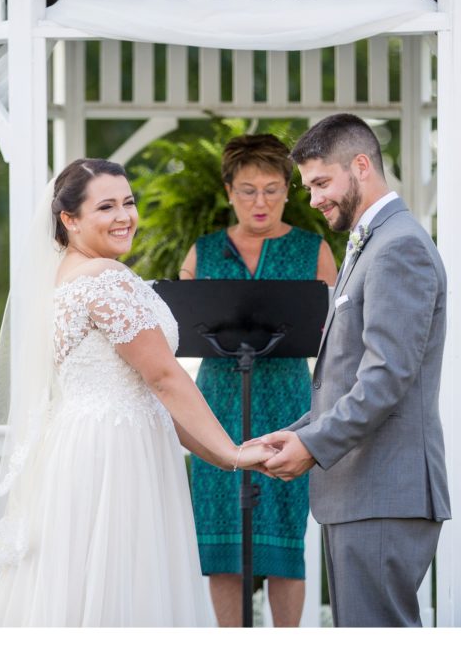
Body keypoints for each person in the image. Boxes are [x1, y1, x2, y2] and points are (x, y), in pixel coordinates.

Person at [0, 159, 278, 627]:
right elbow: (164, 378)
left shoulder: (65, 280)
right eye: (107, 206)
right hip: (115, 455)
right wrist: (233, 452)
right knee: (122, 582)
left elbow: (148, 390)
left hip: (86, 445)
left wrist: (219, 455)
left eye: (129, 202)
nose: (125, 216)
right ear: (69, 220)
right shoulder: (106, 279)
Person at [254, 114, 451, 627]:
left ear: (361, 166)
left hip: (383, 491)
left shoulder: (398, 246)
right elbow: (345, 376)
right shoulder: (371, 243)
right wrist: (294, 433)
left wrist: (314, 446)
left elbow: (386, 379)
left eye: (321, 182)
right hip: (361, 490)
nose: (314, 198)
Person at [179, 134, 337, 627]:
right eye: (247, 190)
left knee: (285, 539)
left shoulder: (314, 251)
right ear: (228, 191)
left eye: (271, 189)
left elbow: (337, 338)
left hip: (289, 403)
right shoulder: (201, 253)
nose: (260, 202)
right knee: (221, 541)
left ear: (288, 191)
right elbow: (177, 331)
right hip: (217, 406)